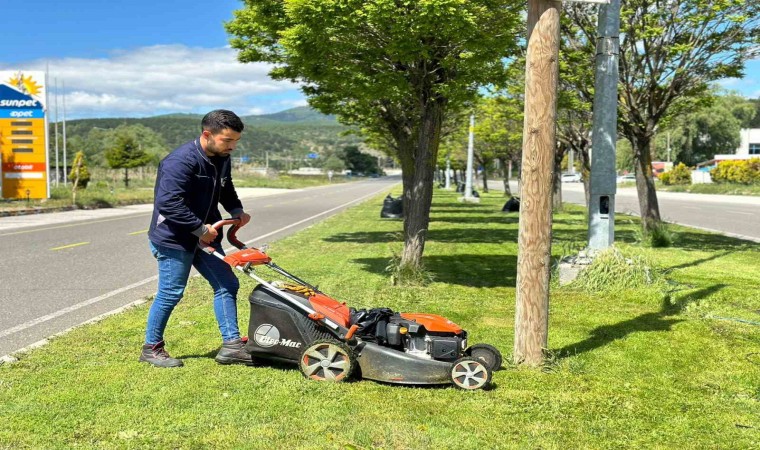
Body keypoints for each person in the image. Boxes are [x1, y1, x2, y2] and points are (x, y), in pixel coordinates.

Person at [140, 109, 253, 368]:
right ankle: (151, 348)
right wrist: (200, 229)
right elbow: (168, 203)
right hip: (173, 238)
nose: (232, 147)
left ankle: (232, 346)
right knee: (171, 292)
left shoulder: (222, 157)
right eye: (227, 140)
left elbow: (225, 187)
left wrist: (236, 209)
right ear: (207, 134)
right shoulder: (180, 161)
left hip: (207, 235)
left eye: (236, 141)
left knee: (227, 284)